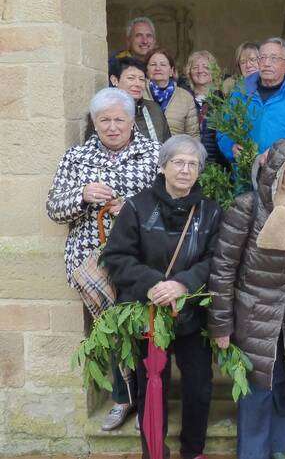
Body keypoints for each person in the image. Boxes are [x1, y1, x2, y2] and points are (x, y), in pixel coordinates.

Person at [208, 139, 285, 459]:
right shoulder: (248, 207)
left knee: (281, 384)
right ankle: (253, 453)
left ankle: (279, 449)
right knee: (255, 391)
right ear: (277, 174)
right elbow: (223, 269)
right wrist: (221, 325)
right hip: (251, 313)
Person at [47, 87, 159, 431]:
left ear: (131, 121)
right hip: (91, 260)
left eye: (119, 119)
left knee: (143, 329)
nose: (112, 126)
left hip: (140, 259)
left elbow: (170, 207)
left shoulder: (153, 154)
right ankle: (121, 399)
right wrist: (81, 195)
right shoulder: (76, 157)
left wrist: (132, 207)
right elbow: (53, 208)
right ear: (94, 123)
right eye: (104, 120)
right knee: (109, 332)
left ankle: (147, 403)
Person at [102, 135, 221, 459]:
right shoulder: (137, 208)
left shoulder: (210, 212)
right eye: (178, 162)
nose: (185, 170)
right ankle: (154, 452)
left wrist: (183, 283)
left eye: (192, 164)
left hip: (191, 315)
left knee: (198, 385)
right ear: (163, 166)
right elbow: (116, 257)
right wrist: (153, 283)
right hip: (149, 314)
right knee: (151, 386)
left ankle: (193, 450)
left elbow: (215, 260)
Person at [217, 38, 285, 163]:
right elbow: (224, 129)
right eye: (262, 58)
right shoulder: (240, 93)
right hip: (244, 173)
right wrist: (230, 147)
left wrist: (280, 151)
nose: (267, 63)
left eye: (274, 58)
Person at [85, 56, 171, 143]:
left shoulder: (154, 109)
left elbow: (167, 145)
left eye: (141, 79)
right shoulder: (101, 110)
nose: (138, 84)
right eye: (131, 78)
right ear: (114, 80)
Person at [184, 50, 229, 167]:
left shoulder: (223, 100)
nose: (200, 71)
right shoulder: (183, 97)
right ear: (189, 72)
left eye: (205, 67)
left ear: (213, 72)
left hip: (215, 165)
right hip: (187, 160)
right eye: (195, 67)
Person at [145, 48, 199, 137]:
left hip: (177, 149)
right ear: (147, 70)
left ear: (171, 71)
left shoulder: (185, 97)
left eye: (163, 65)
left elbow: (193, 135)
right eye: (153, 64)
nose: (158, 68)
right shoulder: (139, 93)